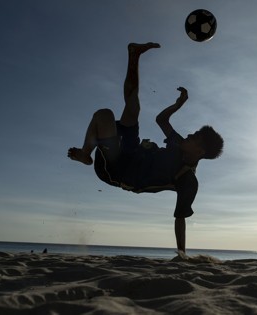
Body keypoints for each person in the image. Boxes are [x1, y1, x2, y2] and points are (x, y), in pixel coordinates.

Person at [67, 42, 224, 255]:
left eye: (195, 136)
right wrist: (178, 105)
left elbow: (180, 218)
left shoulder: (188, 180)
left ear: (201, 152)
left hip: (117, 170)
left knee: (104, 115)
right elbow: (161, 119)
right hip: (133, 151)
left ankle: (86, 155)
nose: (189, 134)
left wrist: (181, 254)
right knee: (133, 107)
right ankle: (135, 54)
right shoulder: (178, 143)